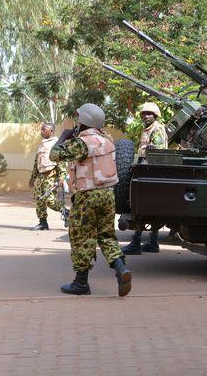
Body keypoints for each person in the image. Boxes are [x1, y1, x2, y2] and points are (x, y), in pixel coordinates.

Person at [50, 103, 132, 297]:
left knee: (82, 238)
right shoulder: (107, 141)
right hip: (107, 194)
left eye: (79, 119)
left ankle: (80, 283)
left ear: (84, 121)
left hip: (87, 196)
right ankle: (121, 270)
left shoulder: (81, 143)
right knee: (106, 236)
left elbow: (54, 155)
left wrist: (63, 136)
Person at [122, 102, 168, 255]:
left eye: (149, 114)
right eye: (144, 113)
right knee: (149, 209)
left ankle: (137, 243)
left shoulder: (157, 129)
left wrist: (152, 149)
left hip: (151, 172)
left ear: (155, 116)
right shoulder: (147, 130)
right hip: (146, 170)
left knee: (140, 208)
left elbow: (159, 151)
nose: (146, 116)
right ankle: (153, 242)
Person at [28, 122, 69, 230]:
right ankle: (43, 223)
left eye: (43, 129)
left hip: (52, 175)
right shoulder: (42, 144)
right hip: (41, 177)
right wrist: (33, 178)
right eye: (41, 129)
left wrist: (62, 177)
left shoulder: (56, 144)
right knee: (39, 199)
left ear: (51, 131)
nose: (41, 131)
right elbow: (37, 162)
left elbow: (61, 161)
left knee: (49, 200)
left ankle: (66, 212)